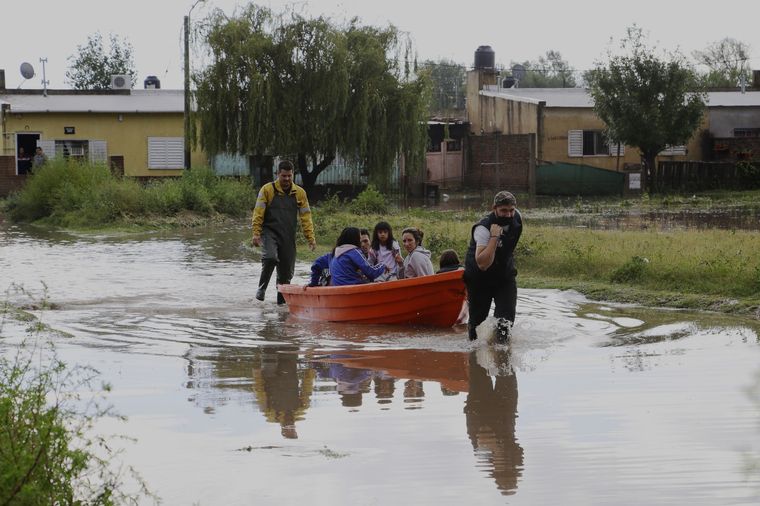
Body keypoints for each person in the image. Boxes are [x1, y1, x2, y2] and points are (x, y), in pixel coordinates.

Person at [252, 160, 316, 304]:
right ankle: (261, 288)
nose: (286, 179)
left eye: (289, 176)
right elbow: (258, 213)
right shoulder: (267, 190)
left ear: (292, 175)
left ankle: (281, 307)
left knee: (286, 275)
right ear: (278, 174)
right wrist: (256, 233)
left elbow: (306, 217)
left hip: (288, 235)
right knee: (270, 258)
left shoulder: (300, 193)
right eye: (283, 176)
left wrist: (310, 238)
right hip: (269, 232)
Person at [463, 191, 523, 343]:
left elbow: (510, 246)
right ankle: (474, 358)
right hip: (479, 277)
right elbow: (483, 264)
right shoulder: (482, 228)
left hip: (504, 275)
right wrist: (495, 238)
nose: (508, 215)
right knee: (477, 322)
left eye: (511, 210)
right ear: (494, 208)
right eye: (503, 210)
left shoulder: (517, 218)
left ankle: (502, 355)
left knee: (506, 320)